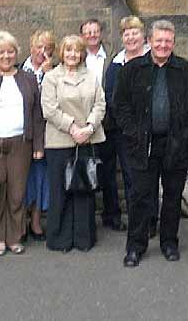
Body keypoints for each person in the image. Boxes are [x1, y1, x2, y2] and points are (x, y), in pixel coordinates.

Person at [114, 20, 188, 268]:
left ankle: (169, 242)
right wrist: (132, 132)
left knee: (173, 196)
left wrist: (186, 136)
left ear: (173, 43)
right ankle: (136, 246)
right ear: (149, 41)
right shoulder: (132, 70)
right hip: (142, 144)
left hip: (175, 144)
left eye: (168, 41)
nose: (163, 45)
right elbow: (120, 105)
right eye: (158, 40)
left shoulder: (187, 71)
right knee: (140, 197)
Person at [0, 31, 44, 256]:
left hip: (22, 143)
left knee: (17, 192)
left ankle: (14, 236)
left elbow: (36, 114)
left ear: (16, 53)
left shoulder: (28, 78)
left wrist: (38, 145)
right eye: (1, 51)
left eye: (10, 51)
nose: (6, 56)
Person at [41, 35, 106, 252]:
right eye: (68, 50)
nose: (72, 54)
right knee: (60, 190)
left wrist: (88, 127)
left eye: (77, 51)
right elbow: (49, 109)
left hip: (87, 139)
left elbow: (100, 104)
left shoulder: (90, 76)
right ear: (62, 52)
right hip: (60, 141)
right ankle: (60, 239)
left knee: (84, 190)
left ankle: (83, 238)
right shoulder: (51, 77)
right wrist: (72, 128)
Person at [80, 19, 126, 232]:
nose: (91, 35)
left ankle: (112, 215)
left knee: (108, 171)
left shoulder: (113, 57)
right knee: (84, 169)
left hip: (108, 121)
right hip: (82, 120)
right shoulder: (76, 57)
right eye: (87, 32)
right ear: (82, 36)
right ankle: (86, 217)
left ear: (101, 34)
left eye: (95, 31)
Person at [104, 16, 150, 229]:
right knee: (132, 178)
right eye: (126, 33)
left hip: (152, 129)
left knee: (150, 176)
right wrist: (129, 125)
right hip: (124, 132)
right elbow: (112, 98)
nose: (131, 37)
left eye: (135, 32)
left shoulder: (155, 58)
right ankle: (137, 222)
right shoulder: (116, 64)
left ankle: (151, 220)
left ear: (143, 35)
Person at [21, 30, 56, 242]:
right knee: (21, 180)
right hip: (22, 133)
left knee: (40, 179)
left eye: (48, 48)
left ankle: (35, 221)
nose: (42, 52)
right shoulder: (17, 71)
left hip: (44, 133)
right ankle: (20, 223)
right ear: (31, 47)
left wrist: (48, 74)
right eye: (39, 46)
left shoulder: (55, 72)